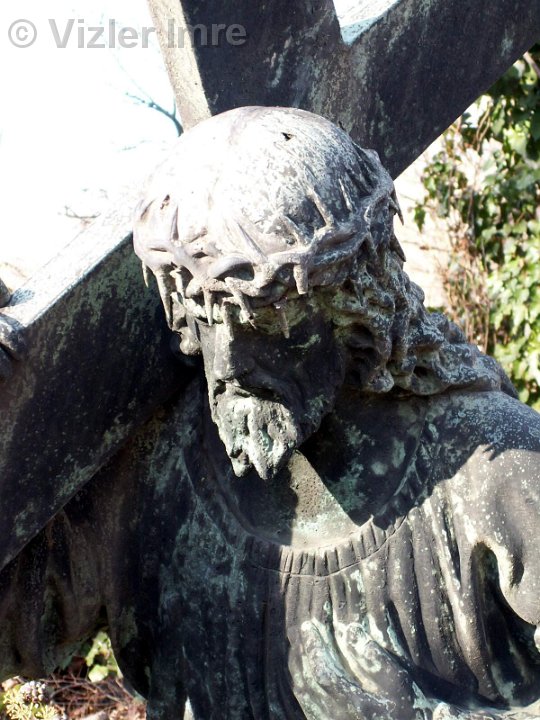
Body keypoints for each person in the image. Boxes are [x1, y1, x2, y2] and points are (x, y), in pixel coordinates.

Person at [1, 106, 540, 720]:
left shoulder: (500, 469)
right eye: (205, 317)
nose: (228, 360)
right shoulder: (152, 479)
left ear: (353, 303)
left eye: (260, 318)